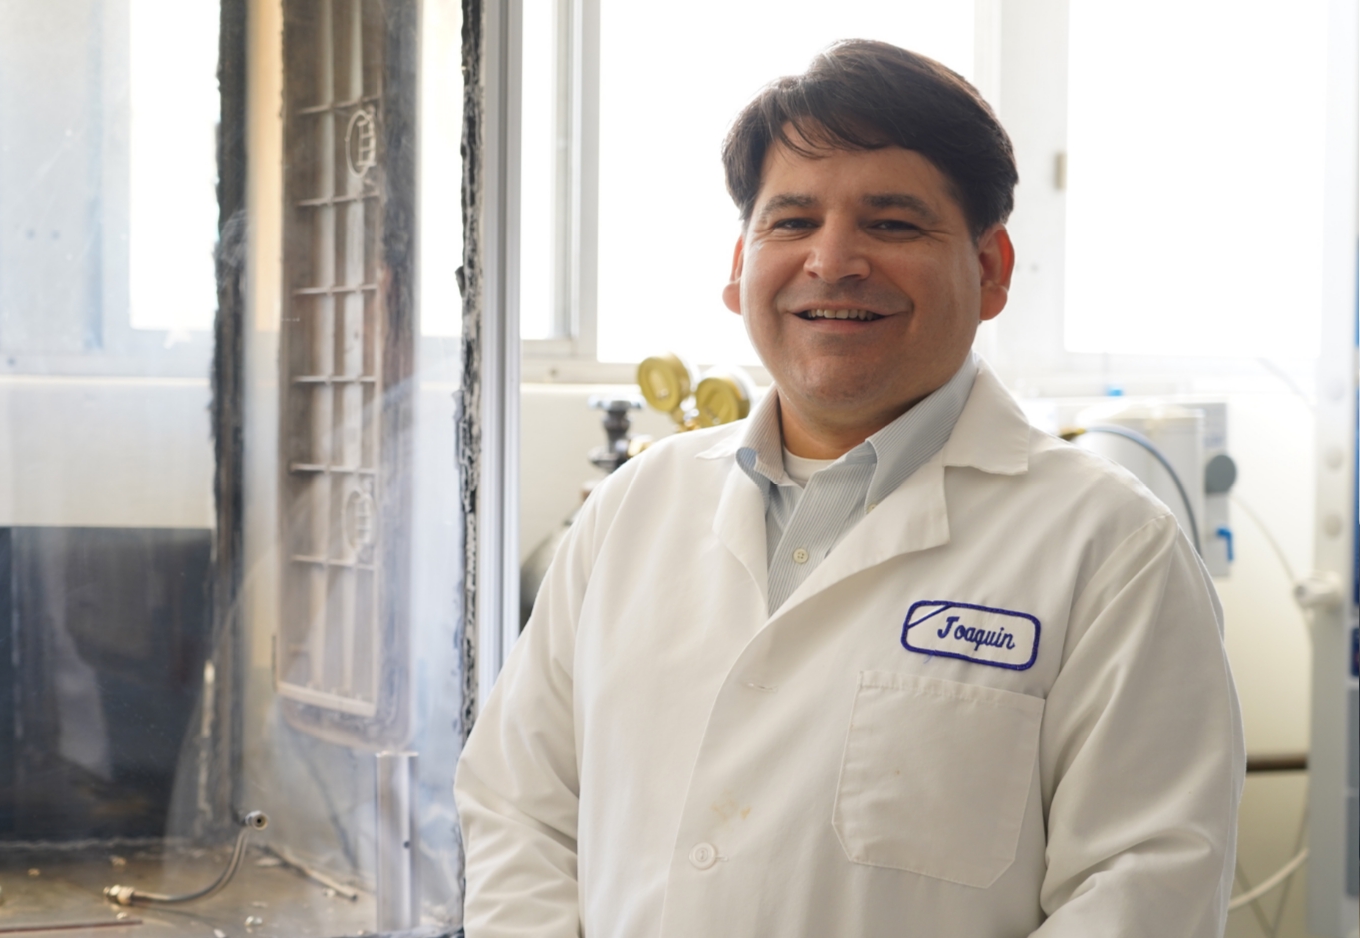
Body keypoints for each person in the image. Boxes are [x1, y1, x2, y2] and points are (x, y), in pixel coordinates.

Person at [455, 40, 1243, 937]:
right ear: (738, 262)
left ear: (991, 270)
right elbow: (519, 804)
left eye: (894, 224)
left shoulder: (1112, 550)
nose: (833, 261)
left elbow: (1142, 889)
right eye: (791, 221)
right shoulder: (634, 507)